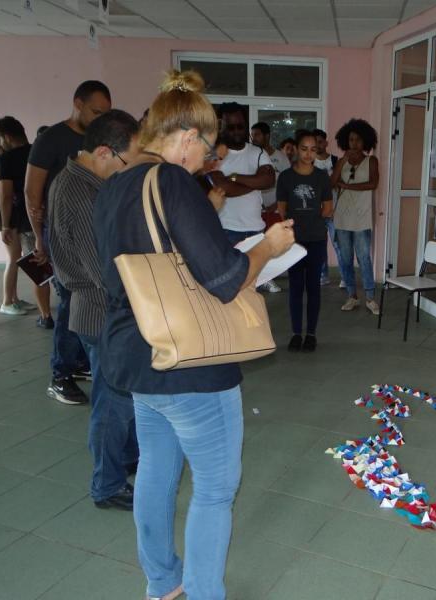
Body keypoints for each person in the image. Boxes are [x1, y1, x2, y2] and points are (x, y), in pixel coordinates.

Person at [92, 69, 294, 600]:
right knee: (215, 489)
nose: (210, 161)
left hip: (136, 357)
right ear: (185, 138)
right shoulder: (173, 181)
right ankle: (205, 592)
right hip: (191, 365)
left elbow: (145, 259)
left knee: (157, 471)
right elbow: (226, 278)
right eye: (207, 150)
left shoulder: (113, 187)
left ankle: (162, 582)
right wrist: (268, 249)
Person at [47, 109, 141, 507]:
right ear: (103, 152)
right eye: (126, 161)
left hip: (104, 310)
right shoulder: (80, 194)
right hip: (102, 313)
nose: (126, 170)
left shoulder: (83, 181)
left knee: (124, 396)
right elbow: (104, 272)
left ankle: (125, 460)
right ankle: (107, 485)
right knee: (113, 401)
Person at [26, 80, 111, 404]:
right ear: (77, 103)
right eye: (95, 111)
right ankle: (60, 374)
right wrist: (39, 238)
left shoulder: (98, 138)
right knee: (72, 303)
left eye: (105, 113)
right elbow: (32, 192)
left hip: (90, 229)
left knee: (85, 305)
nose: (99, 118)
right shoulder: (52, 139)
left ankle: (79, 362)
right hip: (60, 233)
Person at [209, 103, 280, 293]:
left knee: (253, 287)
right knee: (231, 285)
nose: (236, 131)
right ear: (222, 127)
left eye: (240, 126)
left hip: (256, 230)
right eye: (230, 127)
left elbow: (269, 180)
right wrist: (254, 181)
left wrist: (234, 177)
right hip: (227, 230)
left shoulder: (257, 152)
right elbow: (223, 189)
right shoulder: (215, 155)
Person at [277, 130, 333, 352]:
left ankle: (311, 334)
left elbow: (328, 208)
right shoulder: (286, 177)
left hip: (317, 239)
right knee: (295, 288)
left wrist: (314, 219)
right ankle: (295, 333)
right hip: (293, 241)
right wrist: (293, 227)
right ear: (296, 149)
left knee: (313, 288)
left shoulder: (321, 177)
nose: (309, 154)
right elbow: (281, 210)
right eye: (304, 149)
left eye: (313, 149)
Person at [0, 116, 43, 318]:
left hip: (11, 216)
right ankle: (8, 300)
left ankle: (11, 300)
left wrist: (5, 225)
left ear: (5, 136)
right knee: (24, 258)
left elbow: (4, 195)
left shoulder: (6, 159)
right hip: (28, 213)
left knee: (16, 258)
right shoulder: (36, 151)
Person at [330, 118, 381, 315]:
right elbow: (331, 182)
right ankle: (352, 296)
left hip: (362, 217)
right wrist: (342, 161)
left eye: (358, 140)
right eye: (351, 140)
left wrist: (347, 186)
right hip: (342, 217)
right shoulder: (342, 161)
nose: (354, 144)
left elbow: (372, 184)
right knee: (345, 258)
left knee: (363, 257)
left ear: (365, 142)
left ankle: (370, 297)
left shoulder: (371, 161)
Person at [313, 128, 343, 287]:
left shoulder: (335, 161)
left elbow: (340, 185)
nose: (317, 145)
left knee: (338, 245)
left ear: (326, 142)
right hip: (316, 213)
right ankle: (323, 275)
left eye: (320, 141)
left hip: (333, 212)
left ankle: (345, 277)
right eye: (314, 142)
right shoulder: (308, 162)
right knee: (319, 246)